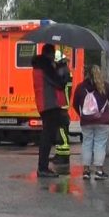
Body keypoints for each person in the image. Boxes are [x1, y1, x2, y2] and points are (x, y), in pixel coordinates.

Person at [73, 64, 109, 180]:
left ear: (87, 74)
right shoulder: (104, 86)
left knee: (86, 144)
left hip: (86, 122)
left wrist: (83, 115)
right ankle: (99, 171)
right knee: (99, 145)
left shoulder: (80, 87)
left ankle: (86, 171)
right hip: (102, 121)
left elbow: (74, 104)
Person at [31, 43, 64, 177]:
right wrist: (60, 68)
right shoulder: (46, 67)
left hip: (44, 104)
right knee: (47, 137)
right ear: (49, 54)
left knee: (47, 136)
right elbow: (59, 83)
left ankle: (43, 167)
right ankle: (43, 168)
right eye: (53, 54)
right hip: (49, 104)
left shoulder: (38, 66)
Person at [53, 54, 72, 167]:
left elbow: (58, 86)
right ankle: (59, 154)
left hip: (61, 105)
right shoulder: (65, 70)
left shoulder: (61, 71)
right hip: (63, 104)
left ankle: (63, 157)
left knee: (61, 131)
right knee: (59, 131)